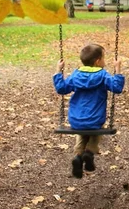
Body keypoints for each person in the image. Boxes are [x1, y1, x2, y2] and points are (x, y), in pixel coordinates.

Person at [53, 44, 125, 178]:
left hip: (76, 120)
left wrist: (58, 70)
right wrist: (118, 69)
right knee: (95, 132)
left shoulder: (76, 75)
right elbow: (117, 87)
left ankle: (78, 156)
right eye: (103, 58)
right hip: (95, 120)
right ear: (98, 61)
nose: (105, 61)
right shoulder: (103, 75)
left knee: (81, 131)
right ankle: (89, 152)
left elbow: (61, 88)